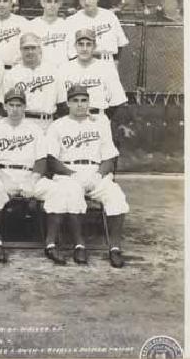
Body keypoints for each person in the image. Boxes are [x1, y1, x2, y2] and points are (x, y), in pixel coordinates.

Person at [0, 87, 84, 265]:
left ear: (25, 107)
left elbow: (41, 159)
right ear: (5, 106)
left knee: (57, 191)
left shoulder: (34, 129)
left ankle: (50, 243)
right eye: (11, 105)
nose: (15, 109)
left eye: (19, 105)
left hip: (30, 174)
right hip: (3, 173)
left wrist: (32, 180)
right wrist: (5, 179)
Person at [43, 84, 129, 267]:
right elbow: (51, 159)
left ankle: (115, 247)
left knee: (116, 196)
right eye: (75, 101)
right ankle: (79, 245)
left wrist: (98, 175)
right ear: (68, 103)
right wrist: (71, 174)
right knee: (73, 194)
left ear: (89, 102)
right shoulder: (57, 125)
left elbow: (109, 158)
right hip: (68, 173)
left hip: (95, 171)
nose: (80, 104)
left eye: (84, 100)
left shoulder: (100, 125)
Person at [56, 28, 127, 125]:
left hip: (98, 118)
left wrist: (106, 120)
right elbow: (61, 102)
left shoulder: (107, 68)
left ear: (94, 46)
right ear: (75, 46)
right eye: (81, 44)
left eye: (88, 44)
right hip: (72, 120)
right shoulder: (64, 69)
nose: (84, 49)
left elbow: (118, 101)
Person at [0, 33, 63, 131]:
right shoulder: (12, 74)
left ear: (40, 49)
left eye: (33, 48)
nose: (30, 51)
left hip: (47, 123)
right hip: (22, 122)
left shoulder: (53, 71)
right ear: (20, 50)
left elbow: (62, 103)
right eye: (26, 48)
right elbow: (4, 106)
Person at [66, 0, 130, 61]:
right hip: (83, 62)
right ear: (79, 0)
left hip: (107, 60)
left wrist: (116, 61)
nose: (86, 2)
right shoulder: (72, 20)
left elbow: (120, 42)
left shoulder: (110, 16)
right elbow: (70, 50)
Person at [23, 0, 72, 68]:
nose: (52, 5)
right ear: (42, 3)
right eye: (49, 1)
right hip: (40, 71)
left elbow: (71, 54)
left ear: (60, 4)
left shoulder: (67, 25)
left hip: (63, 70)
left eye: (56, 1)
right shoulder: (31, 25)